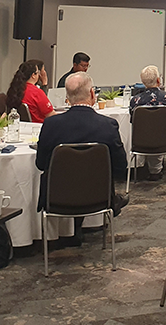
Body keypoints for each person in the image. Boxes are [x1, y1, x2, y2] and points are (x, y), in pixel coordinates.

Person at [35, 72, 128, 246]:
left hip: (57, 197)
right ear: (92, 93)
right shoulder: (107, 126)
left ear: (67, 98)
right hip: (99, 197)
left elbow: (40, 163)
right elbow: (121, 168)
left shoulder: (51, 125)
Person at [129, 65, 166, 181]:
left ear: (143, 82)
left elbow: (132, 120)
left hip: (140, 141)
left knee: (149, 132)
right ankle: (156, 170)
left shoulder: (135, 100)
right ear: (158, 81)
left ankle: (144, 168)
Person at [7, 59, 55, 123]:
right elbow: (51, 115)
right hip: (38, 126)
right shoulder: (36, 92)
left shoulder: (14, 89)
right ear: (33, 75)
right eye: (38, 73)